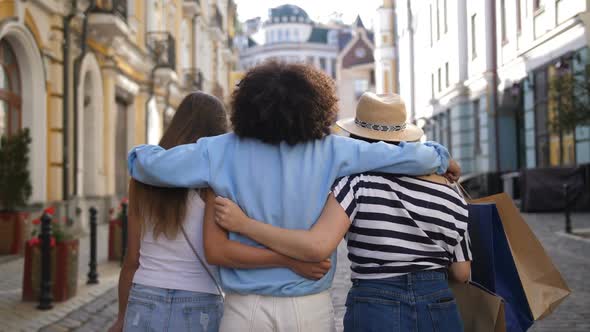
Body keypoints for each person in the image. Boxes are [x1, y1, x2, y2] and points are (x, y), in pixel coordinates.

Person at [127, 62, 460, 331]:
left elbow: (147, 166)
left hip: (244, 308)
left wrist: (140, 152)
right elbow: (404, 156)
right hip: (309, 304)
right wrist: (442, 158)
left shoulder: (220, 151)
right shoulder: (334, 150)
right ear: (316, 107)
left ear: (247, 107)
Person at [213, 93, 471, 332]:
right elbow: (461, 273)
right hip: (438, 303)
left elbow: (317, 246)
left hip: (377, 305)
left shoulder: (358, 183)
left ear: (359, 139)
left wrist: (244, 224)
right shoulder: (452, 190)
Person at [109, 92, 331, 332]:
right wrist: (288, 260)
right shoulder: (216, 179)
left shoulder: (143, 177)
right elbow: (221, 252)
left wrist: (122, 317)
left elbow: (132, 259)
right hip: (198, 300)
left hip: (144, 296)